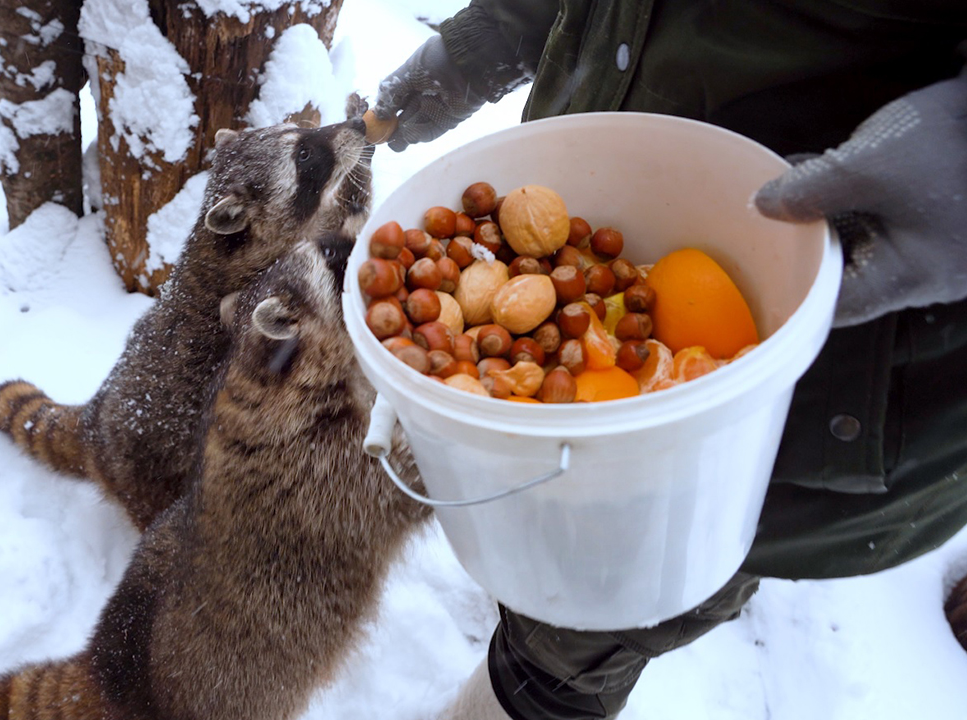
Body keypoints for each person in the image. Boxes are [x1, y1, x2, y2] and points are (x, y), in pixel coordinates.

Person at [373, 3, 967, 719]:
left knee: (593, 618)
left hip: (844, 364)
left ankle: (536, 687)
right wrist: (494, 33)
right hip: (615, 159)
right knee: (546, 533)